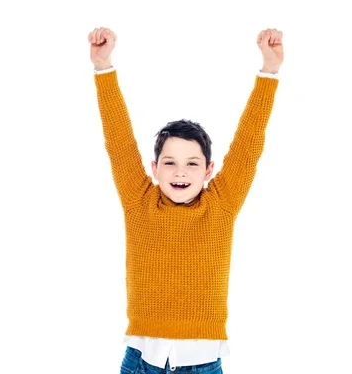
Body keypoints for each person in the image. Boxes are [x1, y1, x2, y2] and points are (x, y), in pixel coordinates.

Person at [89, 26, 283, 374]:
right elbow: (118, 141)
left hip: (202, 364)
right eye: (170, 163)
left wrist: (269, 71)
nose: (180, 172)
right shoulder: (139, 201)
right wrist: (103, 67)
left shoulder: (221, 205)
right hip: (140, 361)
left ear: (208, 170)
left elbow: (248, 144)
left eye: (192, 163)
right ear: (154, 168)